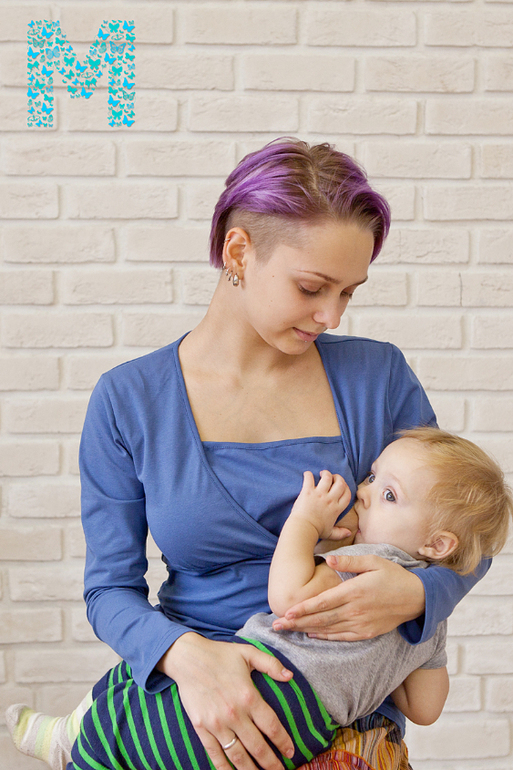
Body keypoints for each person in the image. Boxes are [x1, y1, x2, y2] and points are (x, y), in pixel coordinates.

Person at [5, 138, 491, 770]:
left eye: (349, 292)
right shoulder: (130, 401)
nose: (331, 315)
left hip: (339, 724)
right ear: (239, 252)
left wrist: (420, 594)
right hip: (189, 708)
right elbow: (109, 591)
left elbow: (465, 530)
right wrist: (188, 659)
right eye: (312, 287)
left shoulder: (379, 379)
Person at [8, 427, 512, 770]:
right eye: (373, 475)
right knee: (152, 723)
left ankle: (74, 743)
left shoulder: (367, 561)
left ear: (437, 544)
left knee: (139, 720)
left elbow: (288, 597)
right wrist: (403, 652)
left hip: (270, 683)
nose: (364, 490)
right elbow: (425, 707)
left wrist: (305, 522)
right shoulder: (430, 616)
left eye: (388, 494)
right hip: (307, 728)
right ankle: (75, 736)